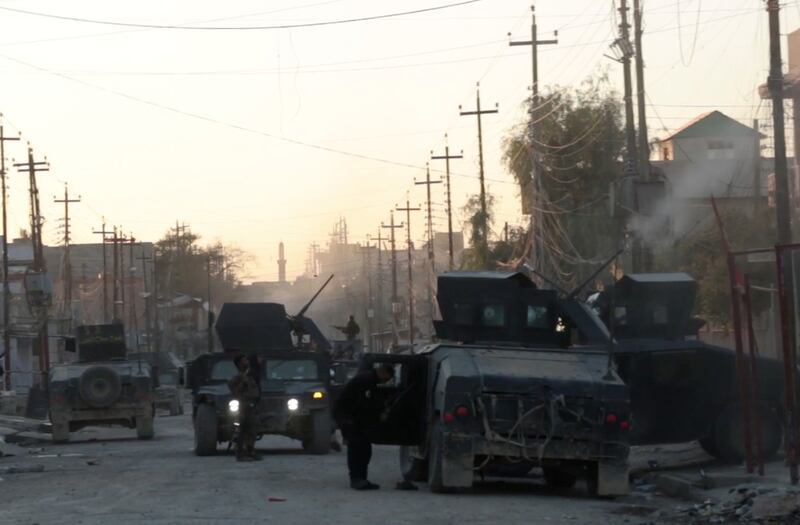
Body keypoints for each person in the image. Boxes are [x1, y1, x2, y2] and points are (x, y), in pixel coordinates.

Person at [333, 364, 394, 490]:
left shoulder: (369, 379)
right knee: (357, 449)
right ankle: (356, 479)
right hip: (349, 418)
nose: (387, 381)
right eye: (387, 378)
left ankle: (362, 479)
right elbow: (364, 403)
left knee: (364, 449)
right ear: (382, 373)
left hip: (353, 418)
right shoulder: (366, 380)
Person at [228, 354, 262, 462]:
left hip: (251, 405)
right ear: (239, 363)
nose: (246, 361)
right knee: (241, 430)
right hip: (242, 406)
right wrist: (242, 382)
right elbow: (234, 390)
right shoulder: (238, 377)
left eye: (247, 359)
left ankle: (250, 451)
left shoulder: (249, 375)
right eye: (244, 360)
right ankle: (240, 453)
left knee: (252, 429)